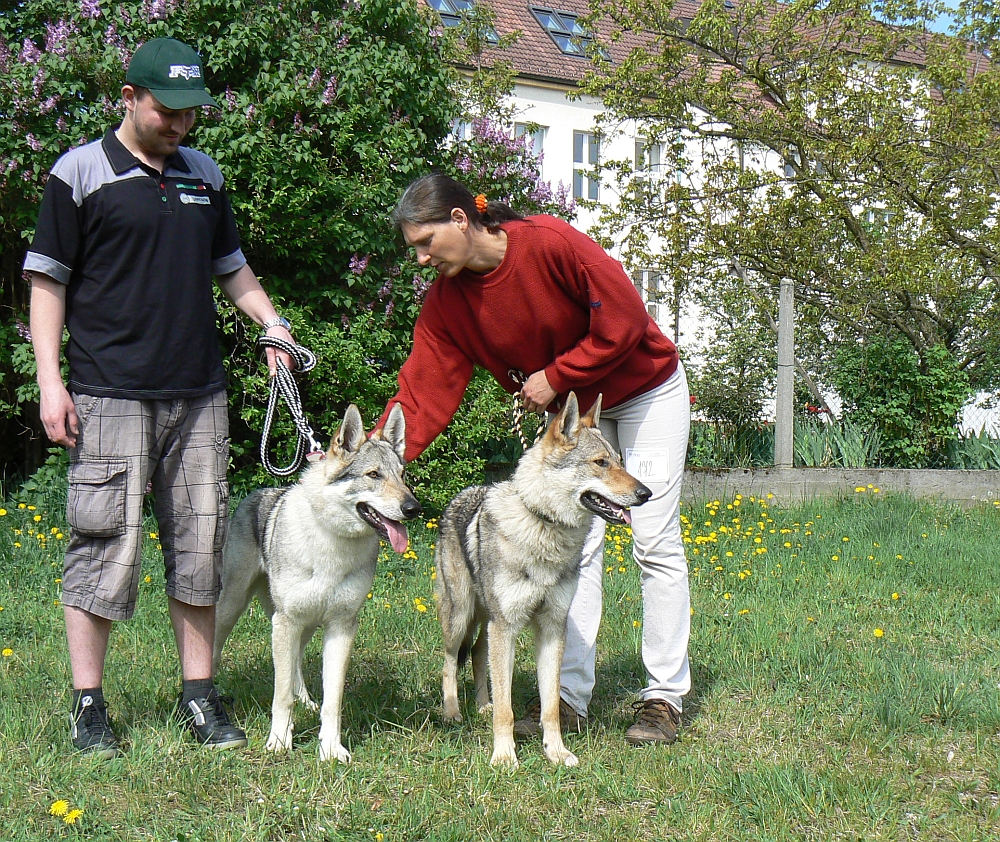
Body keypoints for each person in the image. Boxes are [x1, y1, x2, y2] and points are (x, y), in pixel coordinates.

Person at [24, 37, 296, 759]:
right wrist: (51, 381)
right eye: (165, 111)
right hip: (108, 392)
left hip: (198, 394)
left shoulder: (204, 175)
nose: (178, 125)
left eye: (190, 114)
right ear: (129, 97)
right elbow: (46, 282)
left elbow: (232, 269)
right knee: (102, 545)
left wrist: (273, 325)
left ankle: (200, 697)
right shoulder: (80, 173)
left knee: (199, 547)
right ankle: (89, 706)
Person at [378, 173, 691, 745]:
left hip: (644, 392)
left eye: (426, 243)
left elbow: (622, 318)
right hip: (574, 426)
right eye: (413, 250)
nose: (421, 259)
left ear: (459, 220)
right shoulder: (448, 303)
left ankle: (663, 698)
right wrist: (375, 463)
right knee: (578, 548)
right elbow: (423, 390)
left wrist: (556, 377)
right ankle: (568, 698)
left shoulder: (548, 242)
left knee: (653, 538)